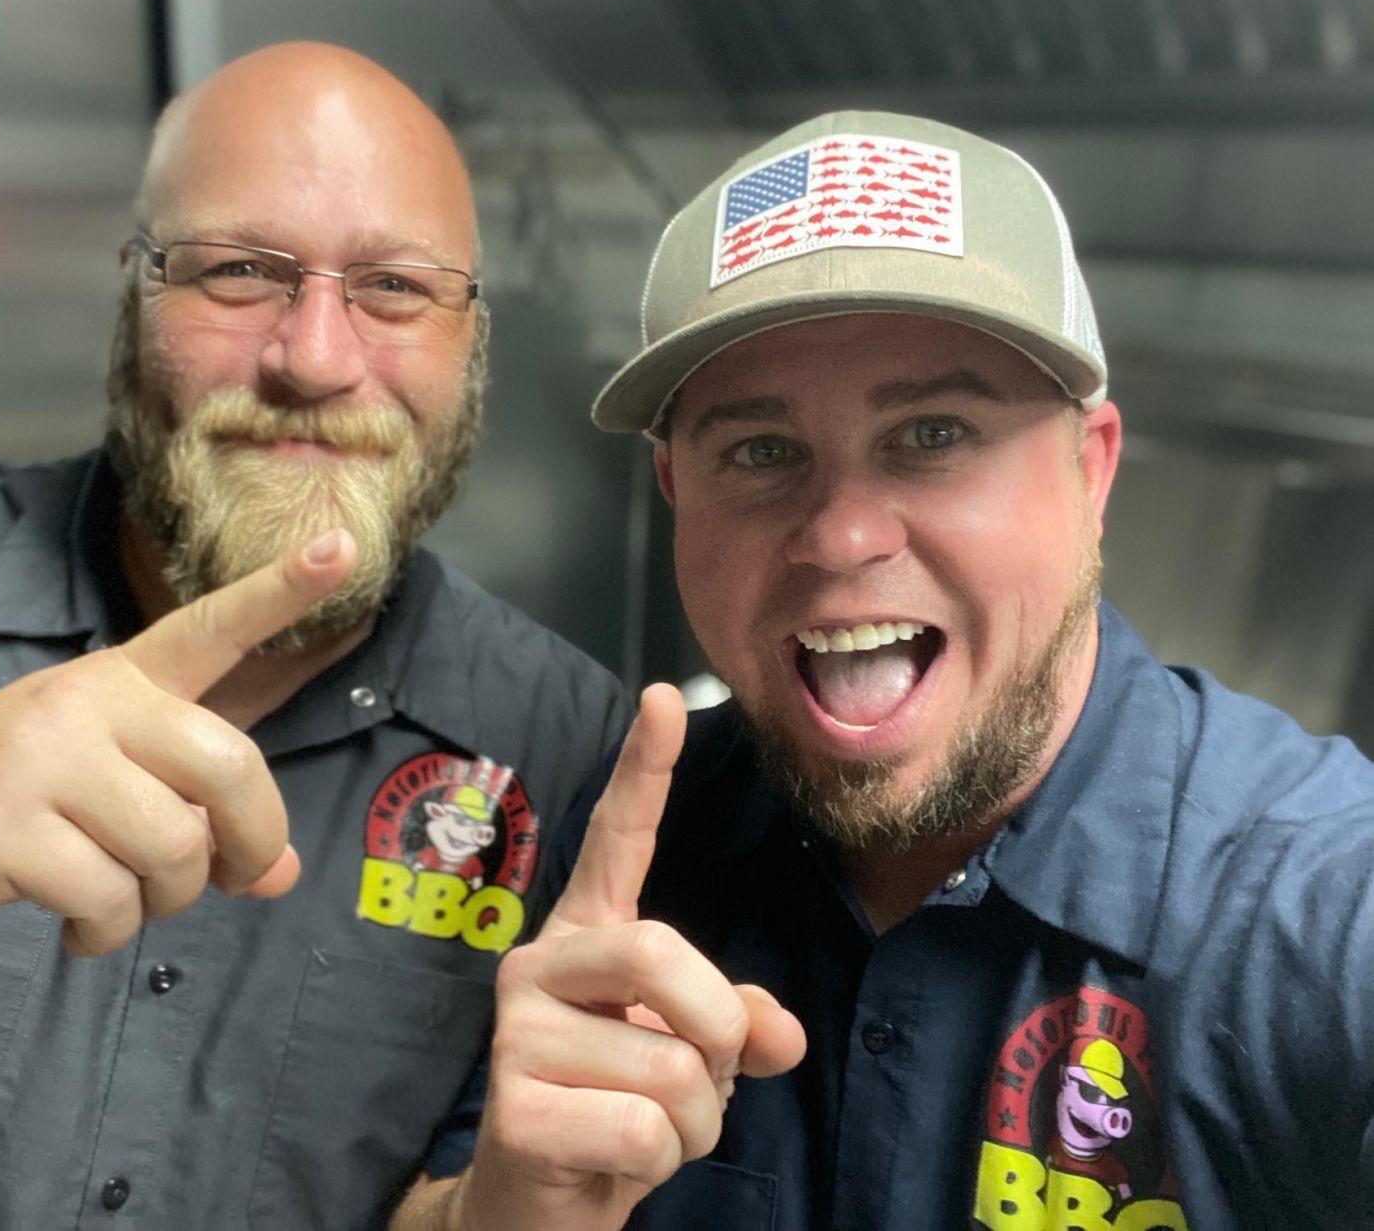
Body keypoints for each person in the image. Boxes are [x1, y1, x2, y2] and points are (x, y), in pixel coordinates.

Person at [394, 111, 1374, 1229]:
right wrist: (501, 1212)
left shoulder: (1314, 905)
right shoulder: (616, 855)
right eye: (760, 451)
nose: (842, 535)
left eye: (935, 433)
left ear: (1090, 469)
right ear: (675, 495)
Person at [0, 42, 630, 1229]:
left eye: (395, 287)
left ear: (473, 338)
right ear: (133, 291)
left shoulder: (567, 751)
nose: (314, 359)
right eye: (242, 270)